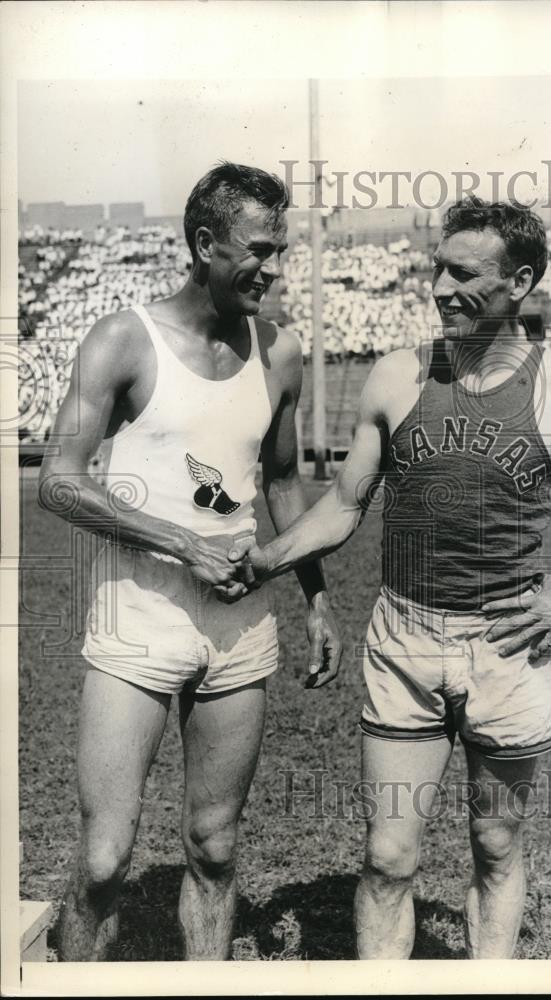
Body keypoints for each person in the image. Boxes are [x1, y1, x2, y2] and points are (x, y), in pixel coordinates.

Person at [238, 196, 551, 960]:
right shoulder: (398, 376)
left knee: (495, 844)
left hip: (508, 646)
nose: (439, 288)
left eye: (463, 274)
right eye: (436, 269)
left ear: (519, 281)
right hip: (404, 638)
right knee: (388, 857)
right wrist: (269, 556)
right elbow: (343, 506)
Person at [38, 162, 342, 961]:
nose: (272, 270)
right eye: (257, 250)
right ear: (204, 243)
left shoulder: (277, 350)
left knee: (214, 847)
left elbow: (280, 480)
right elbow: (59, 484)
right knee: (104, 860)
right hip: (136, 619)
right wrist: (184, 543)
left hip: (240, 625)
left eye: (280, 251)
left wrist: (313, 597)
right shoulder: (122, 339)